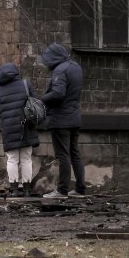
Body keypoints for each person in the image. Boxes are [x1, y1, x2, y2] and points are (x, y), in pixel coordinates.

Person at [39, 42, 85, 198]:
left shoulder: (60, 70)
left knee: (63, 155)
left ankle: (62, 190)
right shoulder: (75, 67)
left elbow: (58, 93)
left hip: (61, 119)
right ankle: (80, 188)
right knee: (74, 153)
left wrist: (42, 99)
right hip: (74, 117)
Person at [0, 63, 39, 197]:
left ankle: (14, 189)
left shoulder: (0, 90)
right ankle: (26, 190)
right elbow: (36, 103)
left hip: (9, 128)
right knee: (26, 158)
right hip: (26, 126)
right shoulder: (25, 84)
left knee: (12, 159)